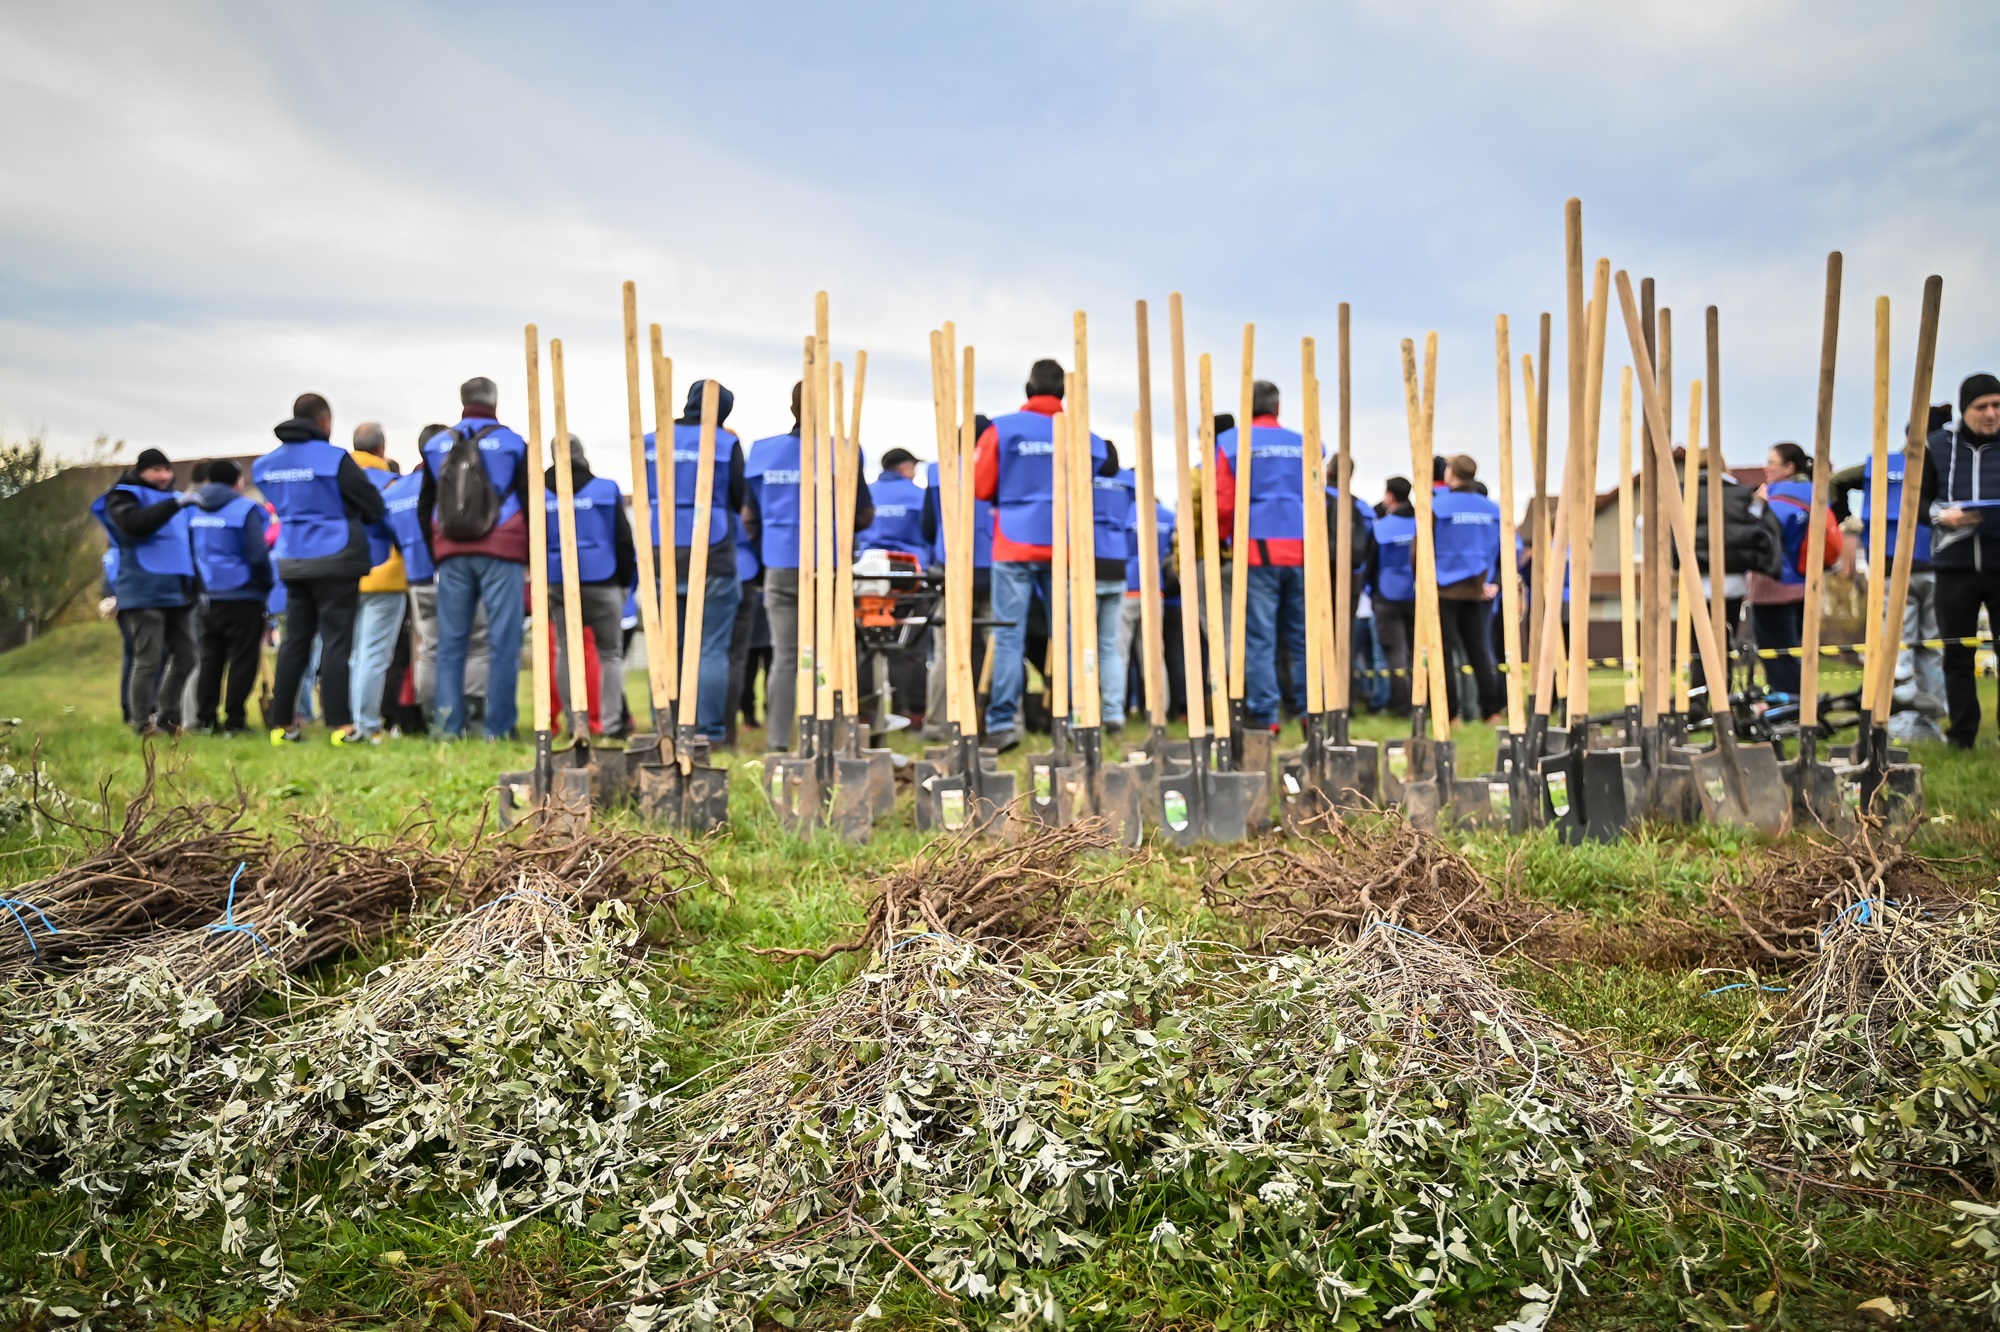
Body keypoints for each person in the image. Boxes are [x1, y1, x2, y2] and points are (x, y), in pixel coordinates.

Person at [972, 359, 1118, 751]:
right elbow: (1096, 476)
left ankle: (1003, 723)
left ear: (1027, 388)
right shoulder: (1084, 435)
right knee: (1068, 635)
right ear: (1064, 393)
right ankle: (1071, 719)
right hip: (1065, 544)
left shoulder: (1001, 430)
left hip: (1015, 542)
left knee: (1007, 636)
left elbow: (981, 487)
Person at [743, 383, 875, 751]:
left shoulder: (763, 453)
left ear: (792, 408)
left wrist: (769, 548)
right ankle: (824, 737)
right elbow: (863, 514)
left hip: (780, 563)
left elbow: (749, 518)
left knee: (786, 655)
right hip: (828, 565)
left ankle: (778, 740)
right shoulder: (845, 450)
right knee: (825, 653)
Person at [254, 394, 385, 744]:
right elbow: (372, 504)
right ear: (325, 421)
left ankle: (283, 725)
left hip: (293, 558)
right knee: (336, 642)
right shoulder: (334, 459)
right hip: (336, 556)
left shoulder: (267, 465)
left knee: (295, 641)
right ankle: (341, 726)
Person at [420, 377, 530, 742]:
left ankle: (447, 728)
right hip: (502, 550)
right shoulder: (513, 442)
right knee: (503, 641)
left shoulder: (437, 445)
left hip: (452, 553)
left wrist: (437, 549)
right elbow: (530, 501)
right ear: (495, 402)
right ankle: (498, 729)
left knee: (451, 642)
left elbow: (427, 505)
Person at [646, 380, 744, 744]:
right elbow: (738, 498)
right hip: (711, 549)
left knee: (666, 645)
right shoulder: (725, 443)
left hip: (659, 549)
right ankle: (709, 732)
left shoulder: (652, 440)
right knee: (711, 647)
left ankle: (665, 728)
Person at [1211, 379, 1310, 730]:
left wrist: (1223, 539)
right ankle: (1309, 710)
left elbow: (1223, 499)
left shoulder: (1231, 443)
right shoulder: (1305, 443)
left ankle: (1266, 715)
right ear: (1277, 407)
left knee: (1260, 637)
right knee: (1302, 637)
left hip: (1257, 553)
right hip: (1302, 550)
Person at [92, 448, 198, 734]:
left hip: (176, 592)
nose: (163, 476)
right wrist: (175, 505)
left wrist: (198, 588)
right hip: (142, 592)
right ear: (141, 471)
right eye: (156, 470)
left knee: (187, 655)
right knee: (148, 659)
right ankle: (141, 723)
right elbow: (135, 526)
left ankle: (167, 717)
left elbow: (185, 546)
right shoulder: (122, 497)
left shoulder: (174, 500)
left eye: (167, 469)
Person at [1922, 374, 2000, 747]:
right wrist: (1942, 516)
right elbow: (1916, 503)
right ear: (1964, 410)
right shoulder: (1936, 447)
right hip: (1954, 566)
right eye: (1981, 407)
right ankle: (1962, 734)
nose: (1991, 413)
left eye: (1997, 405)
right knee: (1956, 653)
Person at [545, 433, 637, 737]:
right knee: (610, 653)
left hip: (559, 580)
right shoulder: (605, 490)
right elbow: (624, 540)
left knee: (565, 650)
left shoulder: (540, 493)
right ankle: (610, 725)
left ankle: (576, 724)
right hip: (603, 580)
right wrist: (625, 583)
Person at [187, 459, 273, 734]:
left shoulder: (192, 509)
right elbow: (258, 555)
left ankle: (205, 718)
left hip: (206, 595)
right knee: (242, 659)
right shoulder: (246, 509)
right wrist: (265, 584)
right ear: (238, 482)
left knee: (210, 659)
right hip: (242, 594)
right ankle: (234, 720)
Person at [1751, 441, 1840, 698]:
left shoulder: (1776, 499)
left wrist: (1756, 506)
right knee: (1796, 647)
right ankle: (1801, 700)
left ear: (1789, 467)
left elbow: (1760, 536)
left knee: (1777, 653)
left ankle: (1789, 703)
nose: (1765, 467)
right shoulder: (1816, 494)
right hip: (1805, 583)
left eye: (1771, 462)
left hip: (1774, 586)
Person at [920, 433, 993, 740]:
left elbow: (926, 525)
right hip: (991, 566)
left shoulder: (939, 469)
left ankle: (937, 724)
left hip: (952, 568)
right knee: (997, 645)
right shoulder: (995, 466)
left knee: (946, 649)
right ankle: (998, 723)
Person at [1430, 455, 1504, 721]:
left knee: (1445, 652)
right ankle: (1492, 711)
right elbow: (1504, 550)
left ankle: (1450, 714)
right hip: (1479, 589)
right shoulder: (1493, 510)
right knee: (1479, 651)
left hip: (1444, 589)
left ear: (1451, 473)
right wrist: (1494, 581)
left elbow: (1421, 549)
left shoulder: (1438, 506)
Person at [347, 423, 406, 741]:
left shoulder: (336, 480)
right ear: (382, 448)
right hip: (386, 575)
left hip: (344, 573)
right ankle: (367, 724)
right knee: (374, 655)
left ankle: (349, 721)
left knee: (354, 653)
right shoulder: (391, 483)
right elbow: (399, 528)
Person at [1370, 489, 1417, 716]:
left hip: (1387, 595)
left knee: (1395, 652)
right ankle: (1419, 702)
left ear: (1390, 496)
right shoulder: (1422, 524)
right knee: (1417, 652)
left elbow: (1369, 563)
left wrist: (1371, 592)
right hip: (1417, 594)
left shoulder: (1380, 527)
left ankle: (1400, 706)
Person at [860, 448, 928, 556]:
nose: (915, 473)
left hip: (866, 559)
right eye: (914, 468)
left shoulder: (866, 494)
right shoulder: (921, 495)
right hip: (913, 561)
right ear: (904, 468)